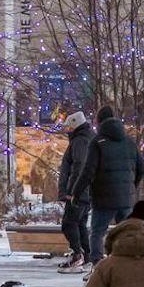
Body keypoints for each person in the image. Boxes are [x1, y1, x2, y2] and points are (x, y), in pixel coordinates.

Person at [72, 107, 144, 256]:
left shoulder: (97, 142)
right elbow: (141, 168)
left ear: (99, 122)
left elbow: (88, 172)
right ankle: (126, 263)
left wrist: (76, 194)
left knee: (97, 233)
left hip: (103, 199)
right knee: (126, 234)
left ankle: (97, 264)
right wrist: (131, 187)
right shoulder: (129, 142)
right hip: (125, 200)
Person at [56, 111, 94, 273]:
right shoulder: (87, 138)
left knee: (69, 223)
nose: (67, 130)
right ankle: (87, 257)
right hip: (86, 191)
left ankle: (77, 255)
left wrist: (72, 191)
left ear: (75, 126)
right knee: (80, 224)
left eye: (69, 127)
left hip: (78, 192)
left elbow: (78, 166)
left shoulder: (80, 141)